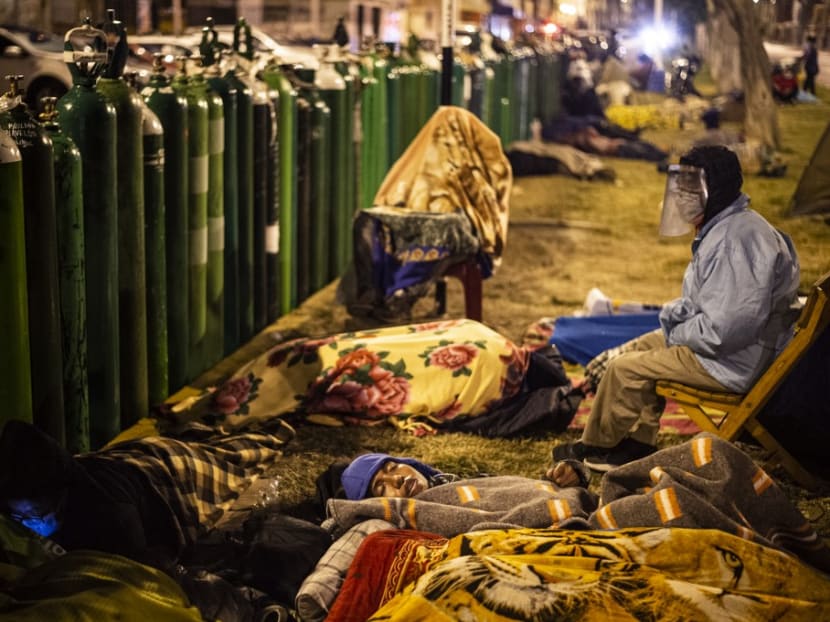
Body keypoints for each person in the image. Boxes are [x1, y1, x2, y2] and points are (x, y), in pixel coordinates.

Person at [554, 145, 801, 471]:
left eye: (689, 188)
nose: (681, 196)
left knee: (625, 369)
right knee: (640, 346)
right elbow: (710, 305)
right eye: (680, 186)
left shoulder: (733, 243)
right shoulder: (732, 225)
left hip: (732, 362)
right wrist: (673, 323)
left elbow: (722, 332)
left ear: (714, 190)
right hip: (738, 350)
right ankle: (638, 442)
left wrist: (677, 329)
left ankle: (600, 448)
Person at [337, 451, 590, 501]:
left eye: (393, 468)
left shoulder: (465, 482)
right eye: (381, 488)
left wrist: (568, 475)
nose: (397, 479)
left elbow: (516, 491)